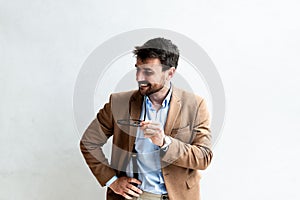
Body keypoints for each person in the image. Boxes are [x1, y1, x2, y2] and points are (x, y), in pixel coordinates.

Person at [80, 37, 213, 200]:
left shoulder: (195, 105)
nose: (139, 77)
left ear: (170, 73)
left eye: (148, 71)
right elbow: (89, 142)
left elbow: (204, 157)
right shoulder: (118, 103)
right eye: (138, 69)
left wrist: (165, 142)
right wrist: (112, 181)